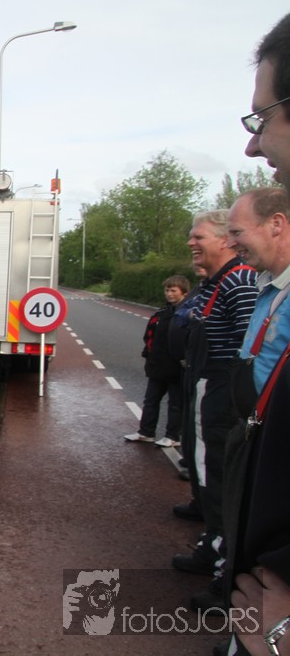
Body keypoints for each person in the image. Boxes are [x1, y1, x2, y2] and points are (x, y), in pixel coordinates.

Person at [170, 210, 257, 614]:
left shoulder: (239, 282)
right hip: (206, 383)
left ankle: (224, 573)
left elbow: (248, 347)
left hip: (222, 390)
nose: (192, 243)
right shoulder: (215, 282)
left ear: (225, 240)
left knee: (220, 476)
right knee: (206, 471)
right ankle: (212, 545)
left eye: (199, 236)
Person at [223, 185, 290, 654]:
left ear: (277, 225)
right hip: (253, 438)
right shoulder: (268, 288)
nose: (232, 243)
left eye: (237, 232)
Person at [124, 275, 190, 447]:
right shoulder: (160, 314)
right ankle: (146, 432)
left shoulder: (188, 314)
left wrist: (185, 360)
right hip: (158, 366)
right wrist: (149, 357)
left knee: (175, 404)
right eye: (167, 290)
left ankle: (173, 436)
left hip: (177, 367)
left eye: (173, 290)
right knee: (150, 400)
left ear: (184, 292)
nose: (169, 294)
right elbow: (149, 337)